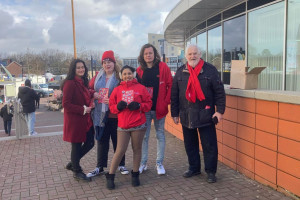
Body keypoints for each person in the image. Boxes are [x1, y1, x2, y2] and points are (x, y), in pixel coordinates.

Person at [171, 44, 226, 183]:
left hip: (205, 114)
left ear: (200, 54)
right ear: (186, 56)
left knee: (209, 145)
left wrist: (219, 111)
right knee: (190, 144)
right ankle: (194, 168)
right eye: (190, 54)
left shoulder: (210, 70)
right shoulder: (180, 71)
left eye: (195, 53)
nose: (192, 56)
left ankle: (211, 172)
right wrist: (174, 113)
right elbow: (174, 94)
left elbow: (219, 92)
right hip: (186, 114)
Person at [105, 65, 152, 190]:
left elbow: (148, 104)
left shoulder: (141, 88)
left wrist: (139, 106)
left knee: (137, 149)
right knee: (120, 150)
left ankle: (135, 174)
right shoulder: (117, 90)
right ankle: (110, 175)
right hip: (123, 125)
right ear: (121, 76)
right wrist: (118, 107)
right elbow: (112, 106)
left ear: (134, 74)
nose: (127, 76)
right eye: (125, 74)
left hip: (138, 125)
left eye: (129, 73)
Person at [87, 50, 128, 178]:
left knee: (118, 142)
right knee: (102, 142)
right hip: (101, 115)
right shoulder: (97, 76)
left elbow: (125, 92)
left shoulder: (119, 77)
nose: (107, 64)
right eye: (105, 62)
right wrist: (93, 94)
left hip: (116, 115)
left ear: (114, 63)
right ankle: (100, 167)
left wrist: (112, 101)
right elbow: (88, 89)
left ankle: (121, 164)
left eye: (109, 61)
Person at [136, 43, 173, 175]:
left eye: (150, 53)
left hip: (159, 108)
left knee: (160, 135)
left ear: (154, 54)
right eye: (146, 53)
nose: (148, 55)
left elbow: (170, 84)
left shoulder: (163, 67)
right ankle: (143, 163)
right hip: (145, 109)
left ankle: (159, 163)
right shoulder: (139, 70)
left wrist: (165, 101)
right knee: (144, 137)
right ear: (142, 55)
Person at [61, 59, 95, 182]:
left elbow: (84, 94)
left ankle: (73, 163)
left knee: (90, 142)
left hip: (85, 120)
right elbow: (66, 104)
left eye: (82, 67)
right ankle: (77, 170)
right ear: (73, 69)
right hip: (75, 121)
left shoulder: (82, 81)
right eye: (78, 68)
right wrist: (83, 109)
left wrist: (92, 94)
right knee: (76, 146)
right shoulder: (69, 83)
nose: (81, 69)